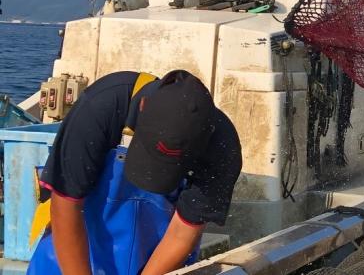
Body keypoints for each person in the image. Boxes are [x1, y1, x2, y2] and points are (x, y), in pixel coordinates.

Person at [28, 70, 242, 275]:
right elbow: (66, 202)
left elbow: (182, 232)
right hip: (73, 244)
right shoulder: (101, 106)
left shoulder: (223, 149)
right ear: (142, 106)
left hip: (157, 254)